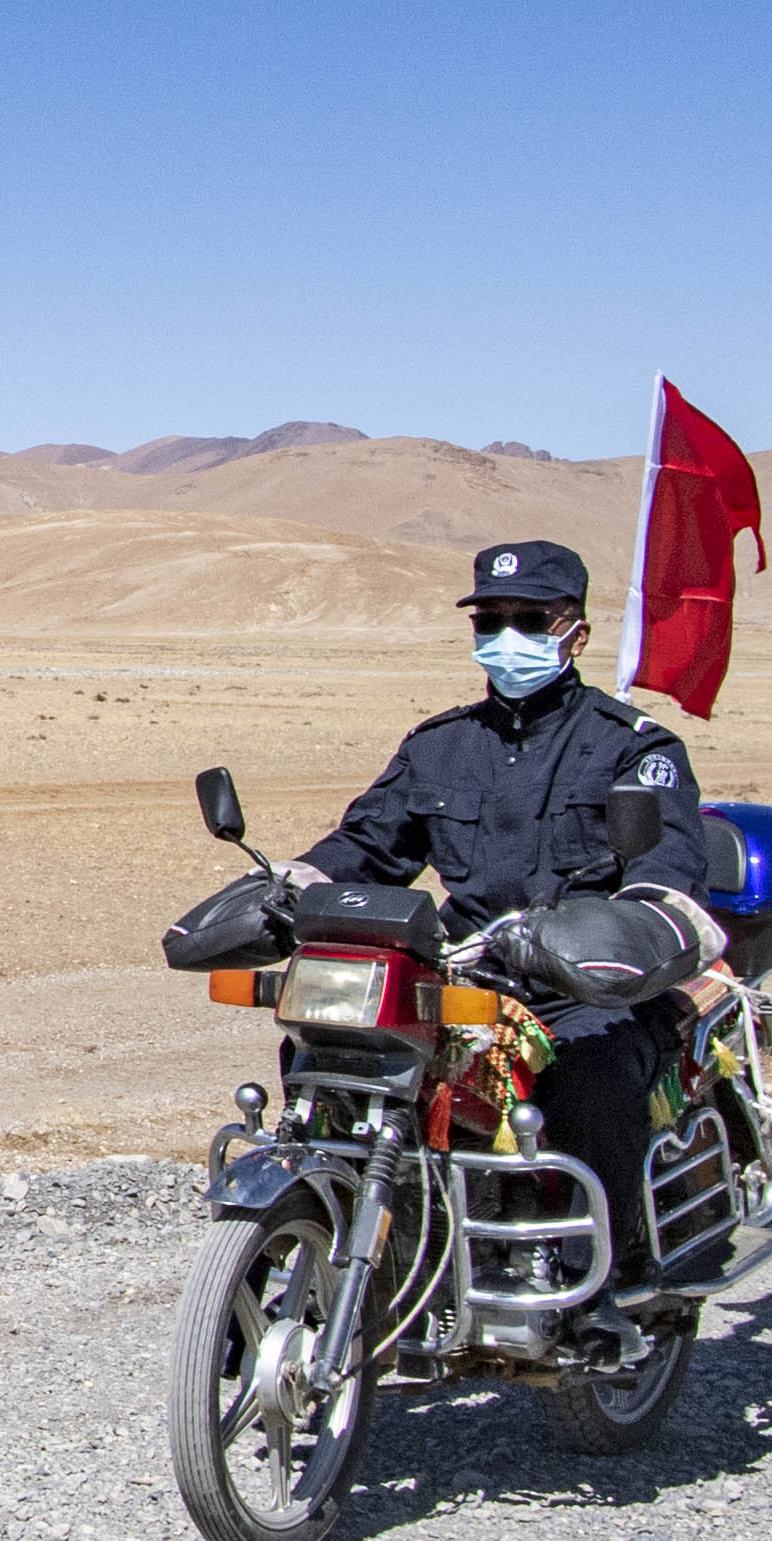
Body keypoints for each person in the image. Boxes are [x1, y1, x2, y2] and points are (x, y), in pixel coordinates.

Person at [296, 539, 724, 1307]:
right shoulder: (440, 747)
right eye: (489, 621)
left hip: (586, 988)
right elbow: (369, 843)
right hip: (465, 978)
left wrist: (625, 926)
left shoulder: (633, 749)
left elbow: (663, 870)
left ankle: (598, 1288)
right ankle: (339, 1246)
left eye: (529, 620)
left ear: (576, 634)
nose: (505, 637)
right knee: (330, 1050)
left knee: (592, 1076)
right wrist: (293, 883)